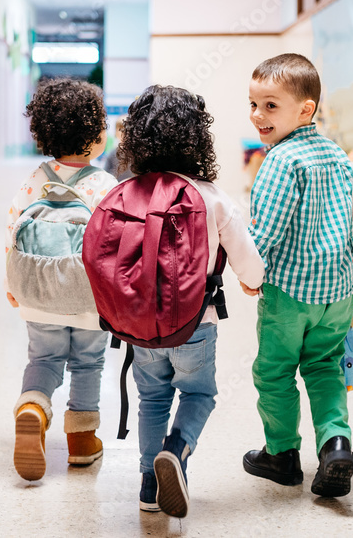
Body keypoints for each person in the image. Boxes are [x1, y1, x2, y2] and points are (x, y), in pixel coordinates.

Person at [117, 86, 264, 517]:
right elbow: (248, 263)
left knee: (152, 398)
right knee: (199, 393)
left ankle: (148, 485)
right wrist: (252, 283)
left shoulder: (128, 192)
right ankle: (176, 451)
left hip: (141, 324)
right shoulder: (211, 195)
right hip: (196, 321)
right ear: (198, 138)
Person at [241, 53, 353, 497]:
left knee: (274, 373)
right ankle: (336, 446)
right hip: (336, 293)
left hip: (290, 295)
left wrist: (250, 274)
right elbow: (344, 227)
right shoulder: (336, 155)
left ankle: (282, 455)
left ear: (304, 110)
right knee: (325, 367)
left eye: (271, 106)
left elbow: (262, 234)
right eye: (253, 104)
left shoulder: (280, 160)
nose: (257, 115)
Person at [5, 78, 119, 482]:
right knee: (88, 362)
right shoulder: (105, 185)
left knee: (44, 359)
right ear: (92, 138)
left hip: (37, 293)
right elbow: (115, 246)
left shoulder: (34, 179)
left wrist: (14, 287)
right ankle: (82, 444)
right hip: (87, 297)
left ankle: (33, 409)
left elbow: (11, 230)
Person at [102, 116, 133, 181]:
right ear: (115, 132)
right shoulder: (113, 153)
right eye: (120, 129)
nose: (123, 132)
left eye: (126, 129)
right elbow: (106, 172)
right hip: (116, 186)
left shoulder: (136, 153)